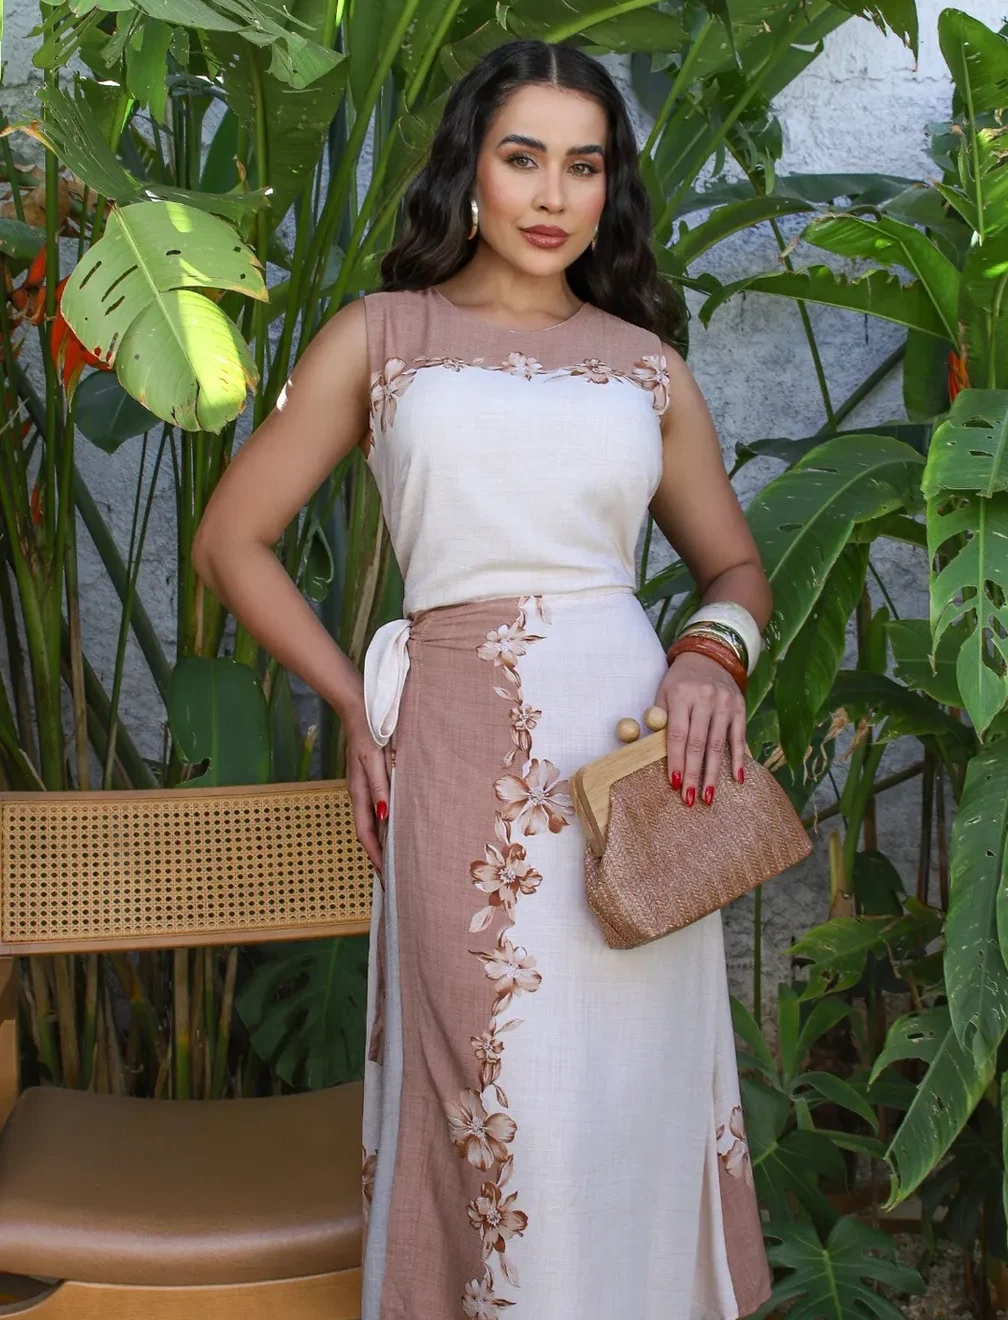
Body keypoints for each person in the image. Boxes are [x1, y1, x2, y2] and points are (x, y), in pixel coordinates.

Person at [192, 36, 773, 1320]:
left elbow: (735, 567)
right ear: (470, 169)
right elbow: (232, 540)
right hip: (460, 759)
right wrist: (359, 703)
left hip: (635, 770)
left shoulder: (644, 366)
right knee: (499, 1109)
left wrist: (709, 657)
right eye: (523, 159)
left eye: (584, 165)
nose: (553, 195)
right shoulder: (383, 337)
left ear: (610, 187)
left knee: (625, 1103)